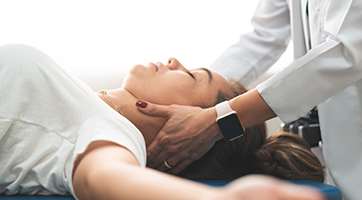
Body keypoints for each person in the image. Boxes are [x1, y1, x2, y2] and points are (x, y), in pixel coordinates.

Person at [0, 44, 325, 200]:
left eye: (191, 74)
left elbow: (103, 177)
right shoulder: (83, 103)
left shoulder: (111, 132)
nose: (173, 61)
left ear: (192, 125)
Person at [136, 0, 362, 199]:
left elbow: (351, 50)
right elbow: (264, 36)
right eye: (192, 74)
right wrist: (203, 106)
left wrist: (217, 118)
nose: (171, 62)